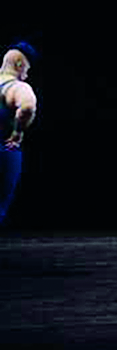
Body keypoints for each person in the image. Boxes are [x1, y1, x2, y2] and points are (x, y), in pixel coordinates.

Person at [0, 42, 38, 228]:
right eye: (27, 70)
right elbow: (28, 106)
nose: (27, 75)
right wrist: (17, 132)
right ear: (19, 64)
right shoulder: (15, 87)